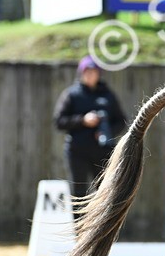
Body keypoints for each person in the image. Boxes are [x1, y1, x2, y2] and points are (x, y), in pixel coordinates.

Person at [53, 56, 128, 220]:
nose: (90, 75)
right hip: (77, 152)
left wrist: (106, 132)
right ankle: (80, 235)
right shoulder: (72, 94)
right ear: (81, 73)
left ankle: (100, 232)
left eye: (93, 71)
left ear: (98, 74)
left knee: (104, 192)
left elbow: (122, 122)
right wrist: (82, 120)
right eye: (87, 71)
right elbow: (59, 121)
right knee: (79, 194)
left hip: (103, 152)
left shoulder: (108, 95)